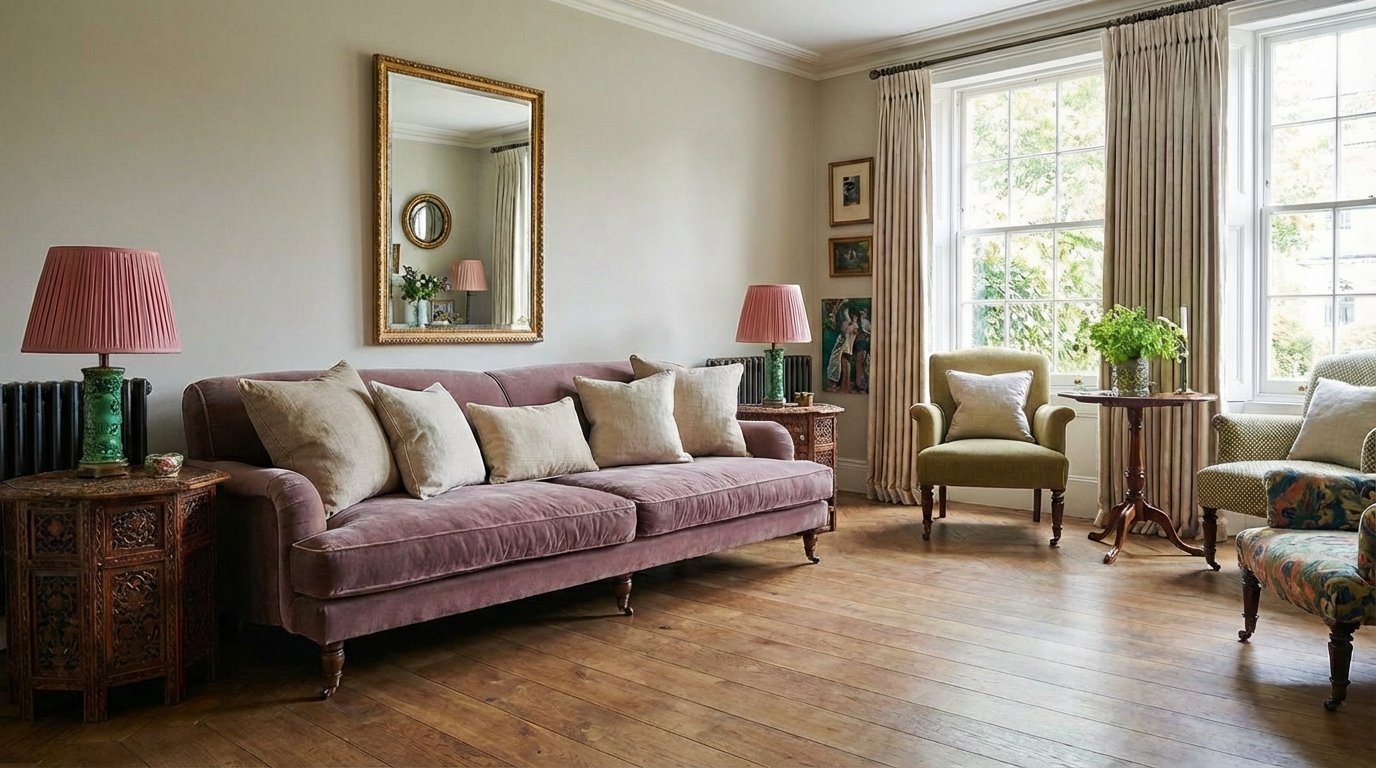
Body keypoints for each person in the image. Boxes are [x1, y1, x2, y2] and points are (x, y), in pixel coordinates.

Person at [826, 303, 859, 393]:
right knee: (839, 364)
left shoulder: (853, 326)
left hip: (846, 349)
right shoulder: (850, 326)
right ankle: (838, 384)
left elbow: (847, 330)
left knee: (844, 365)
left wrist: (847, 316)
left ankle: (843, 386)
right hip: (844, 349)